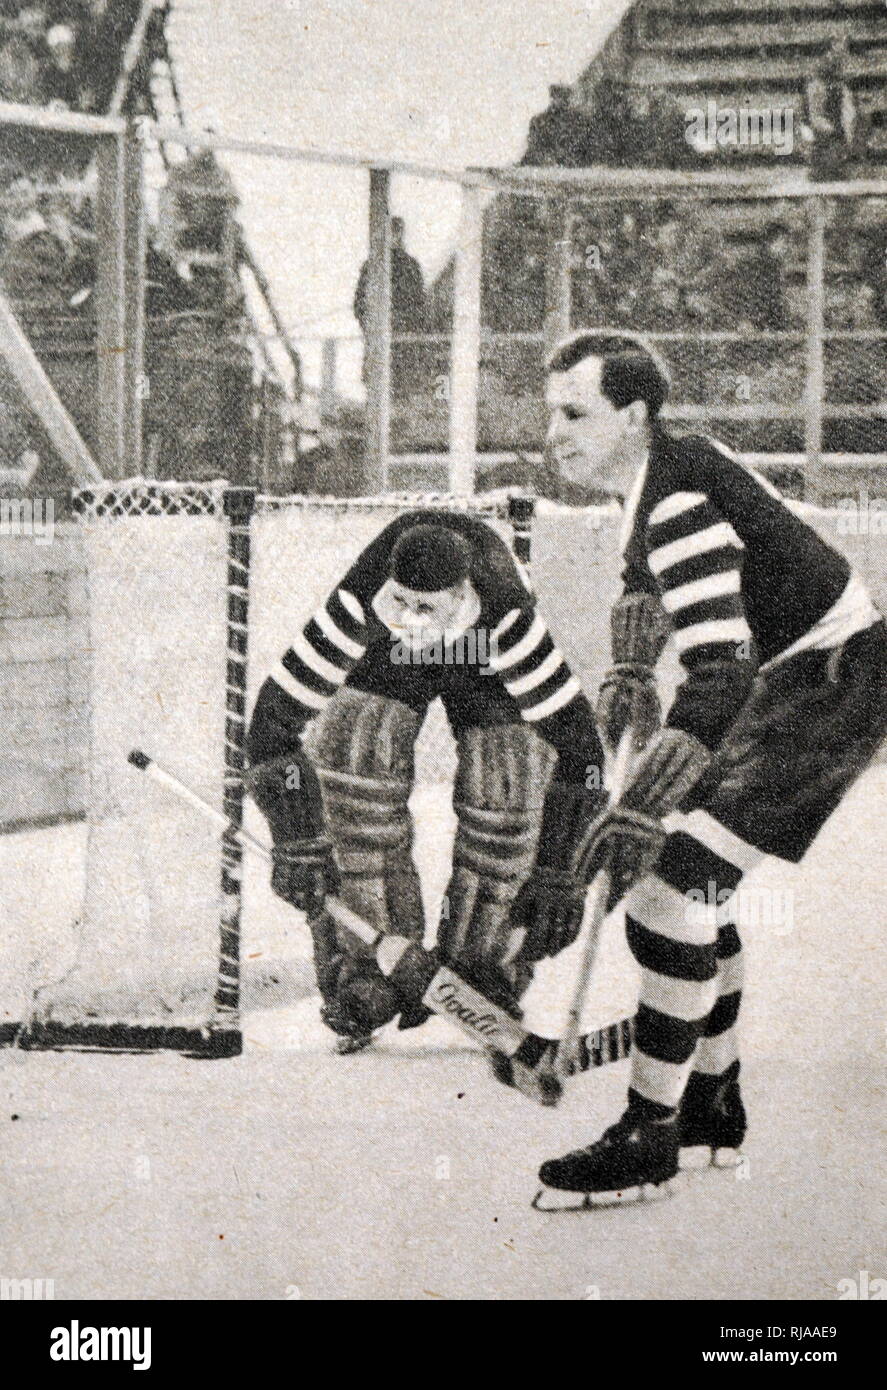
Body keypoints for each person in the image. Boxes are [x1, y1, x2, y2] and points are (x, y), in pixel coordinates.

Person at [535, 329, 887, 1206]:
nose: (554, 433)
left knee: (664, 894)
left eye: (574, 413)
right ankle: (711, 1102)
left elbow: (719, 668)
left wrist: (645, 799)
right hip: (799, 677)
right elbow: (647, 585)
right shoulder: (667, 472)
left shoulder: (674, 501)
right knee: (692, 895)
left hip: (826, 686)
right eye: (551, 412)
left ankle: (649, 1131)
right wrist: (625, 664)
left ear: (633, 414)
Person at [245, 510, 606, 1053]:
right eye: (401, 603)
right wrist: (298, 836)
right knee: (352, 764)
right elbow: (273, 721)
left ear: (462, 593)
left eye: (425, 607)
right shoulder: (360, 607)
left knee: (508, 785)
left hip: (480, 658)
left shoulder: (506, 620)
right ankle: (365, 970)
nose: (411, 618)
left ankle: (484, 968)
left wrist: (558, 869)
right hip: (388, 661)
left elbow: (581, 749)